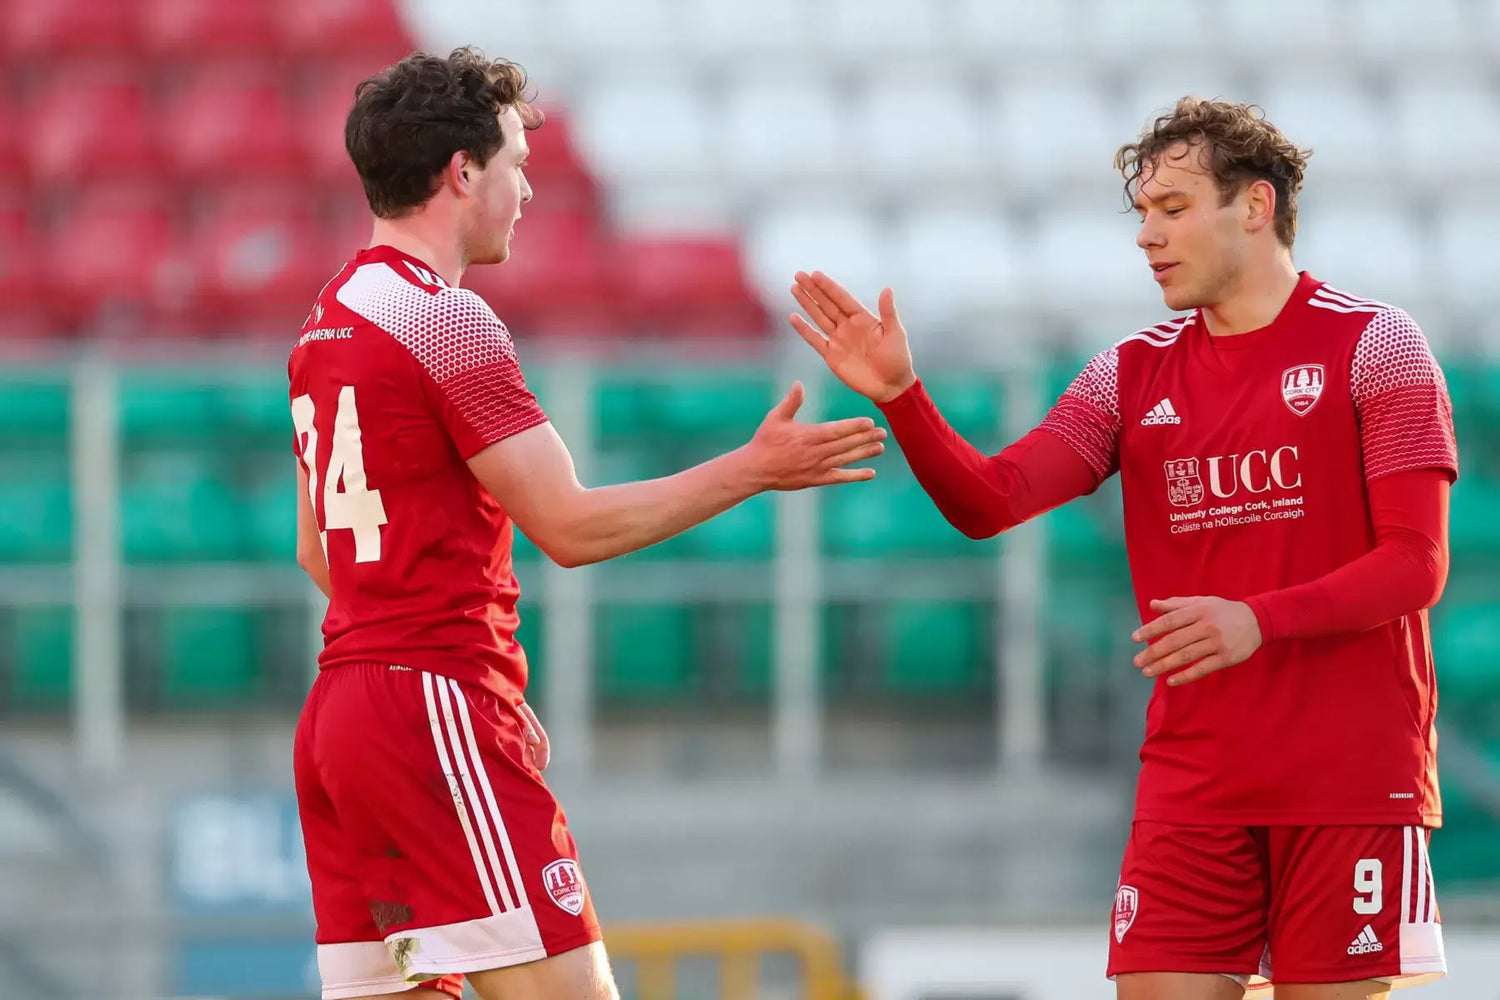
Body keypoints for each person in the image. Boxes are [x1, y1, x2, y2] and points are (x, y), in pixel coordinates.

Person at [789, 97, 1457, 1000]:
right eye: (1141, 214)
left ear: (1254, 207)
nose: (1147, 236)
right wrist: (904, 396)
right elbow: (991, 501)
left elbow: (1416, 565)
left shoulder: (1378, 347)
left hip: (1344, 783)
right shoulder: (1129, 373)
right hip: (1193, 782)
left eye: (1173, 209)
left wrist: (1257, 620)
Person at [289, 48, 886, 1000]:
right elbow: (570, 527)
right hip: (431, 711)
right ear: (462, 172)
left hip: (340, 717)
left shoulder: (327, 320)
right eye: (518, 163)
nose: (526, 189)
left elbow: (318, 550)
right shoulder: (445, 321)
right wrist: (754, 468)